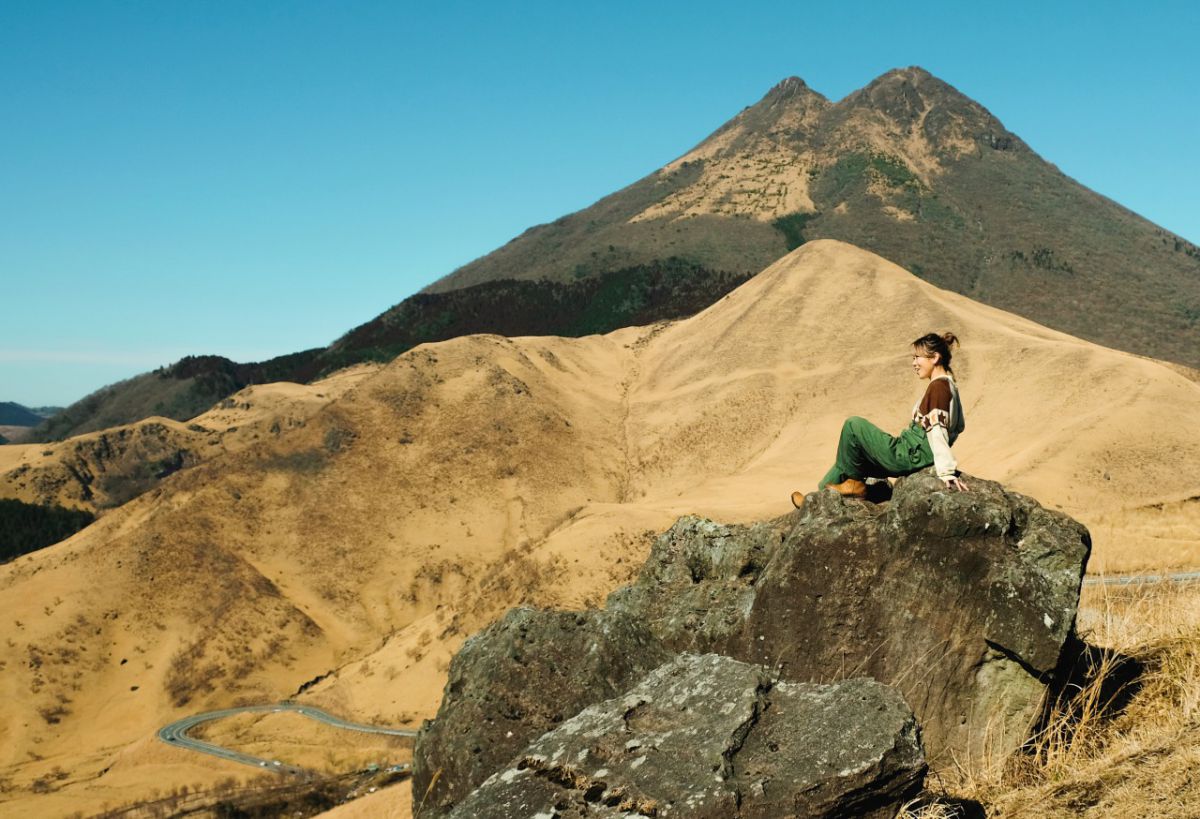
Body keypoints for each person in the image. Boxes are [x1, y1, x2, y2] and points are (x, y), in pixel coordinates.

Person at [791, 332, 968, 508]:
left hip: (909, 455)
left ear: (935, 357)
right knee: (852, 456)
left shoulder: (938, 387)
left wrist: (946, 472)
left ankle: (852, 486)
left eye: (917, 357)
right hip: (914, 452)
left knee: (853, 426)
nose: (914, 363)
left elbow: (937, 429)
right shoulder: (948, 385)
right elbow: (958, 427)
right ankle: (815, 499)